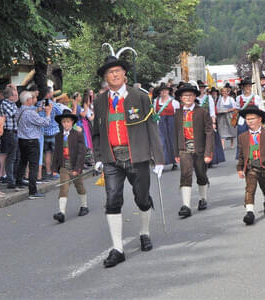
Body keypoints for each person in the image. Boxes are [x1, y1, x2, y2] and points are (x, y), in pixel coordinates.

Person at [92, 54, 164, 268]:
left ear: (124, 74)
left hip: (138, 157)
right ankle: (118, 249)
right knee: (112, 199)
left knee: (142, 199)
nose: (114, 75)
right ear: (105, 77)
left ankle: (144, 233)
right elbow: (96, 133)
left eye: (117, 71)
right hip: (112, 159)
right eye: (109, 72)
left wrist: (158, 159)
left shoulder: (140, 96)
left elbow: (152, 127)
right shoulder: (99, 101)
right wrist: (97, 157)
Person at [173, 83, 214, 218]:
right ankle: (186, 205)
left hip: (200, 149)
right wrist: (176, 152)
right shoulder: (178, 113)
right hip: (184, 149)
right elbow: (175, 133)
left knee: (201, 175)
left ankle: (203, 198)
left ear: (195, 96)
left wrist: (208, 152)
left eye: (190, 95)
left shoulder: (202, 112)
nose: (187, 97)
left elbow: (209, 132)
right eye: (184, 95)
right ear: (180, 98)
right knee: (185, 175)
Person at [237, 105, 265, 225]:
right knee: (250, 189)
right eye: (247, 119)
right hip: (250, 167)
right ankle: (249, 212)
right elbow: (240, 155)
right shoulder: (242, 137)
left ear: (259, 119)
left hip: (264, 167)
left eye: (252, 119)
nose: (250, 121)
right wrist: (239, 168)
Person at [15, 91, 52, 199]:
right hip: (32, 141)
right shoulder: (30, 113)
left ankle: (19, 182)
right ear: (28, 100)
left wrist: (37, 110)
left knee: (23, 162)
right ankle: (32, 191)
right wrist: (48, 113)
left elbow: (28, 117)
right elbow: (45, 123)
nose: (33, 99)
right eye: (32, 98)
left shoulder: (20, 110)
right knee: (33, 165)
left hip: (22, 140)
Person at [52, 112, 88, 223]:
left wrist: (77, 168)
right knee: (64, 188)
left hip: (75, 165)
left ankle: (84, 206)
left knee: (79, 186)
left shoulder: (78, 135)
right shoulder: (58, 136)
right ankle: (61, 212)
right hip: (64, 166)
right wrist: (54, 168)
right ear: (61, 123)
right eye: (64, 122)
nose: (66, 124)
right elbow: (57, 152)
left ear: (72, 122)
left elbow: (81, 153)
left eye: (68, 121)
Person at [153, 82, 180, 170]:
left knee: (172, 142)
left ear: (168, 92)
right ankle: (161, 163)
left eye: (165, 90)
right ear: (159, 92)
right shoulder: (155, 101)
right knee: (161, 143)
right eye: (162, 91)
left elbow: (177, 116)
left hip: (171, 124)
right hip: (160, 124)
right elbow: (154, 113)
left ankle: (174, 162)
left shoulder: (175, 102)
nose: (164, 92)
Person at [234, 77, 262, 160]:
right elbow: (237, 109)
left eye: (249, 86)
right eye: (246, 86)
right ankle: (243, 155)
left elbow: (259, 109)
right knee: (242, 137)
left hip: (253, 119)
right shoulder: (238, 98)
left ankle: (256, 154)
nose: (248, 88)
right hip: (242, 120)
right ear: (243, 87)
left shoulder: (256, 97)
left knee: (254, 137)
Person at [38, 87, 62, 180]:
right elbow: (60, 114)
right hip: (54, 132)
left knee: (47, 153)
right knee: (55, 153)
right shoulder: (53, 105)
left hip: (43, 133)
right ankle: (54, 172)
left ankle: (48, 171)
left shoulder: (39, 104)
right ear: (48, 94)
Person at [0, 86, 19, 189]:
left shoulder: (12, 104)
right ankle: (10, 180)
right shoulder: (5, 104)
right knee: (11, 157)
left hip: (15, 132)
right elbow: (11, 114)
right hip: (9, 133)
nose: (16, 96)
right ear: (10, 96)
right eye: (15, 94)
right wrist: (17, 110)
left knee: (15, 156)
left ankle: (15, 178)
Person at [209, 87, 225, 166]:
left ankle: (212, 159)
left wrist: (213, 122)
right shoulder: (195, 99)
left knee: (211, 140)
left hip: (208, 121)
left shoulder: (208, 98)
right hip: (198, 122)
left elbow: (212, 111)